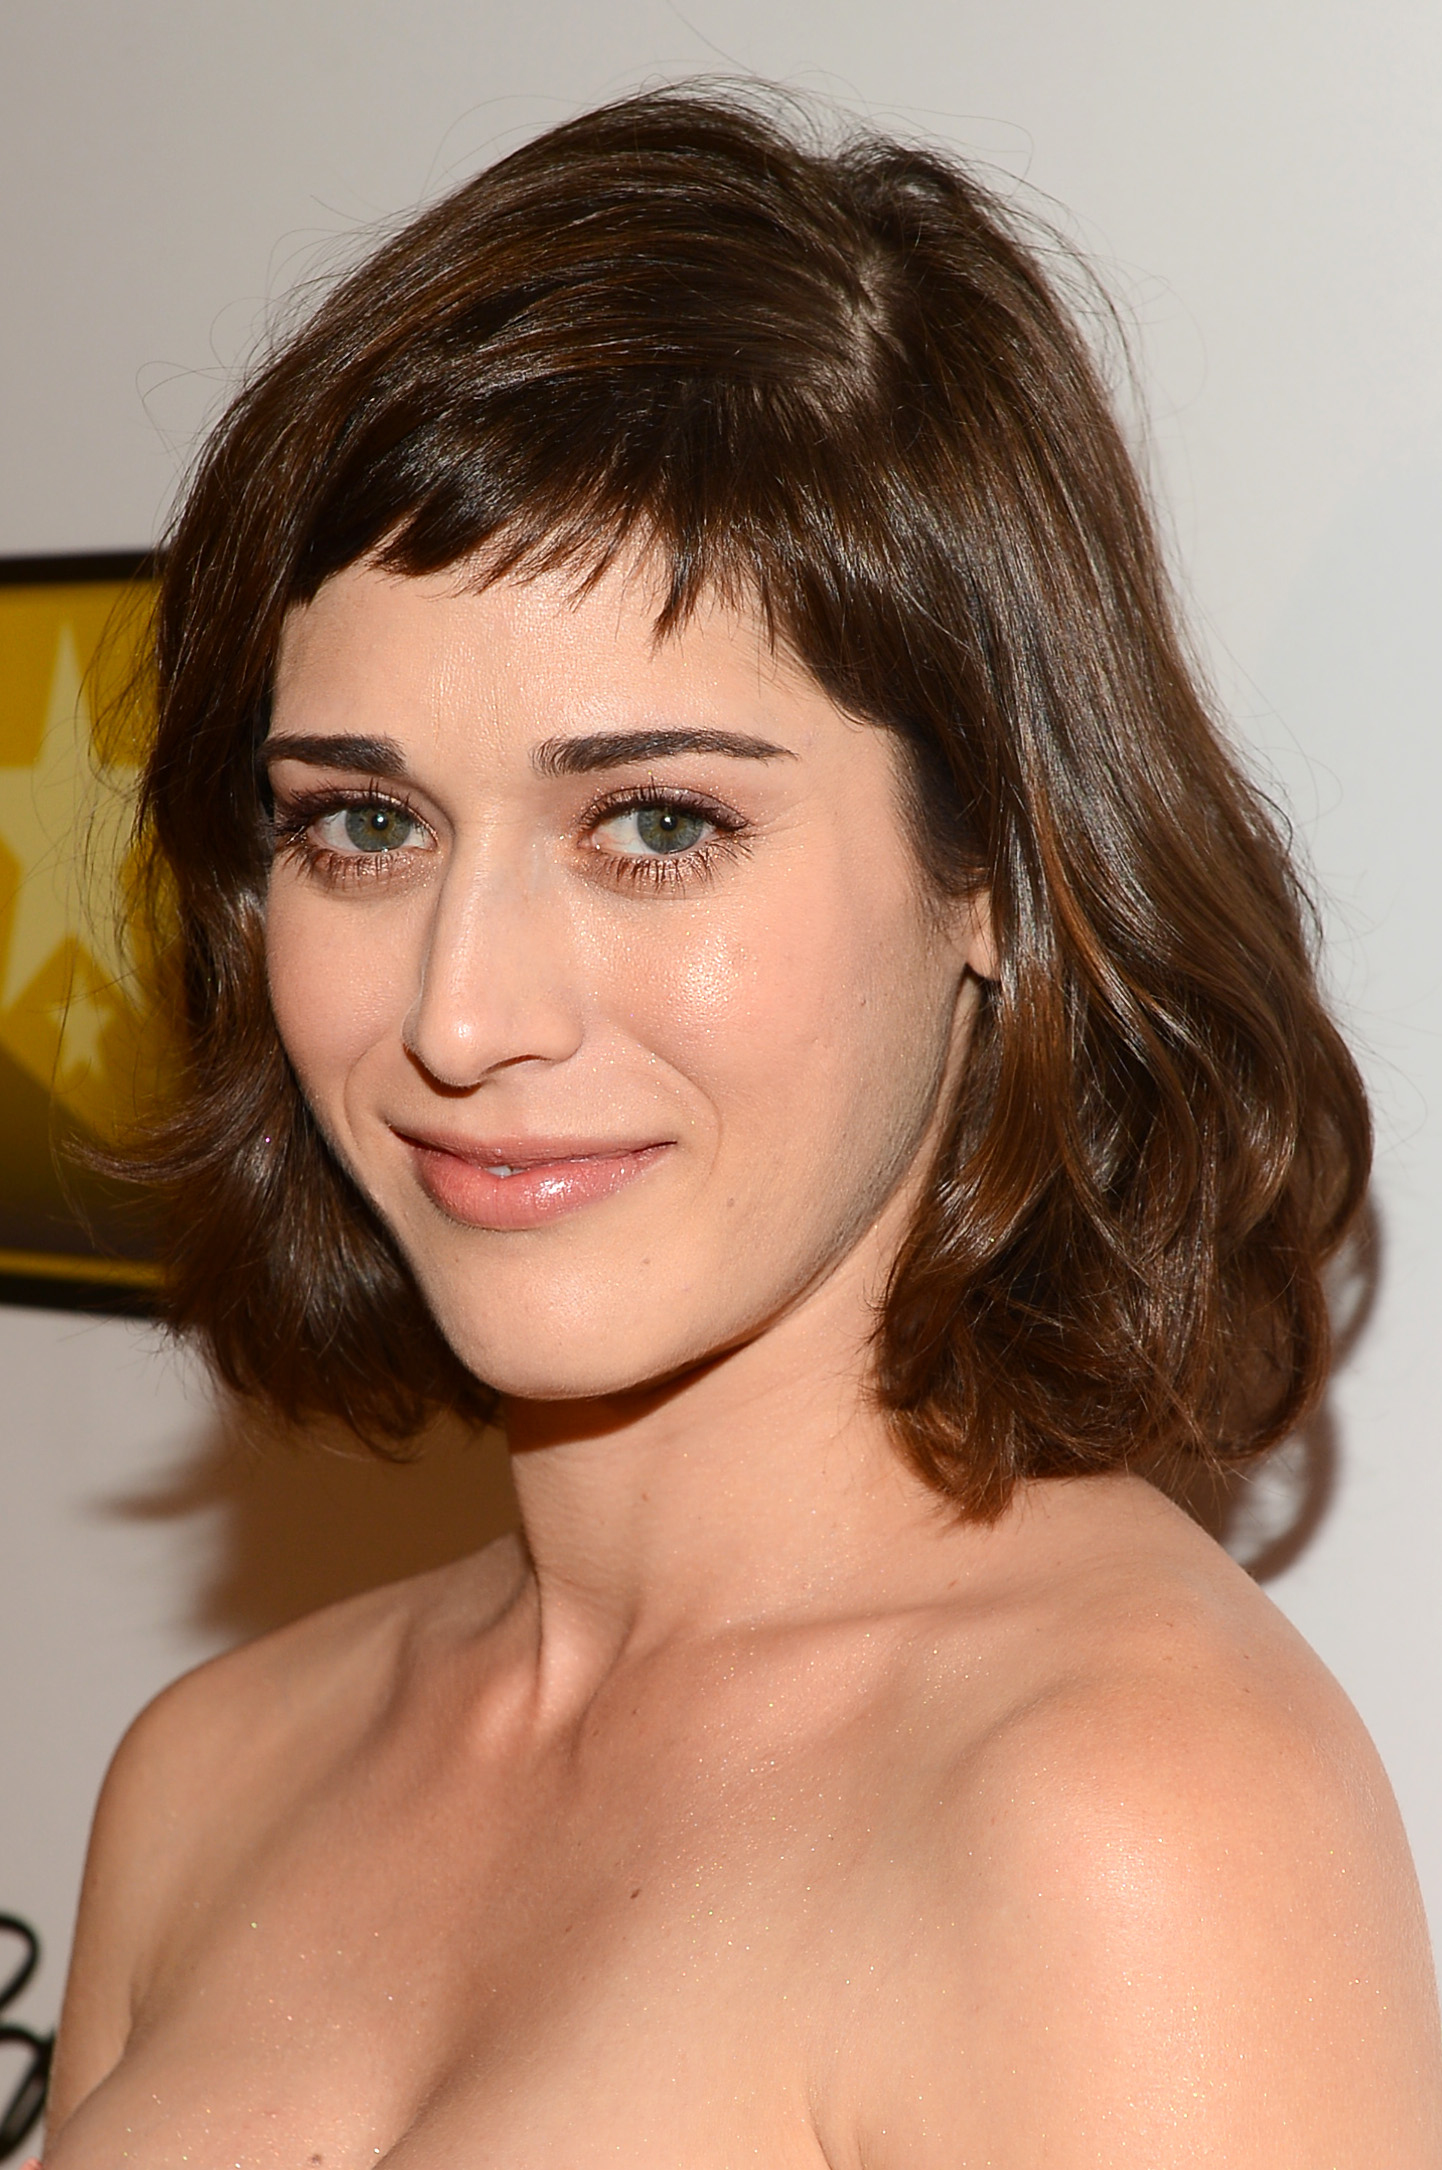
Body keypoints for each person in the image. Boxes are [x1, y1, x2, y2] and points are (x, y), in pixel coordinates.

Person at [40, 83, 1442, 2166]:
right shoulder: (211, 1765)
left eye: (658, 824)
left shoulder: (1121, 1826)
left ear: (992, 870)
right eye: (363, 821)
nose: (458, 1007)